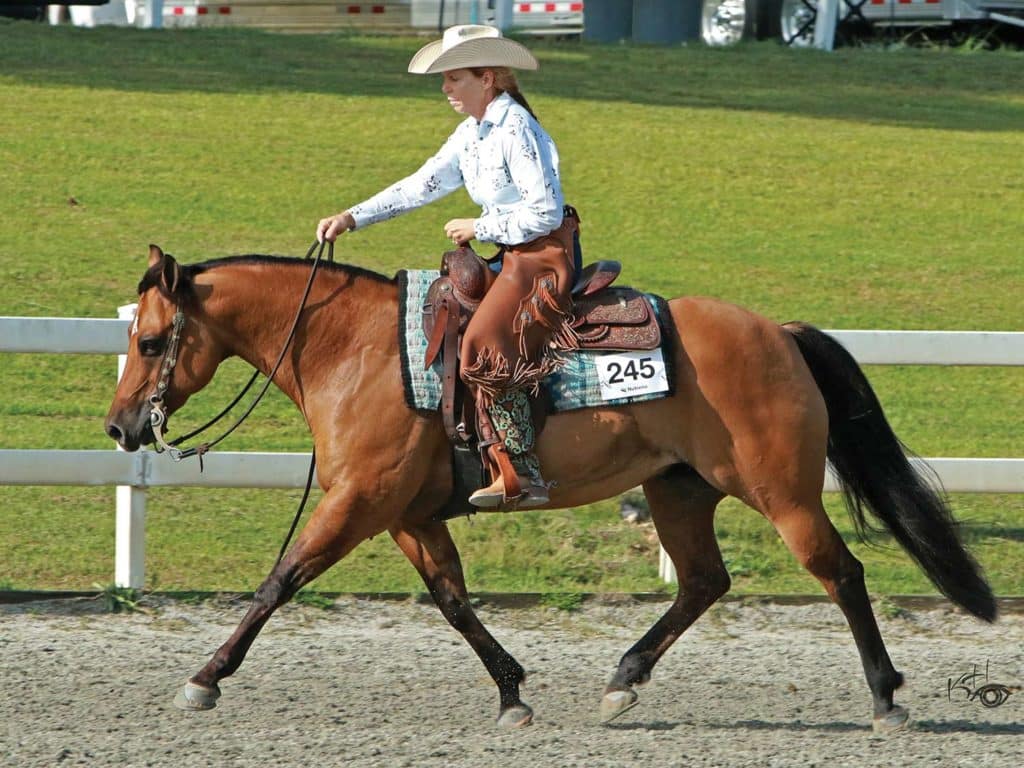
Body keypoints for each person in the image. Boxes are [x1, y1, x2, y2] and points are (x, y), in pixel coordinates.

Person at [317, 24, 580, 510]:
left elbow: (544, 210)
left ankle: (523, 469)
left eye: (455, 78)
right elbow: (421, 185)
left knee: (482, 340)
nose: (445, 88)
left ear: (488, 78)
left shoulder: (515, 127)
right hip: (512, 252)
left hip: (543, 254)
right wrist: (353, 216)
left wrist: (480, 226)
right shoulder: (472, 133)